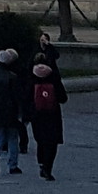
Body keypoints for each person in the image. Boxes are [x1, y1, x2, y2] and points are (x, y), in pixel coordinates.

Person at [0, 45, 28, 174]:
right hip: (10, 111)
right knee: (13, 137)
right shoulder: (12, 77)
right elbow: (17, 96)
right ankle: (13, 165)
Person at [29, 48, 67, 181]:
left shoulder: (31, 78)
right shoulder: (54, 76)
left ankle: (41, 164)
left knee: (40, 141)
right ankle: (48, 167)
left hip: (37, 115)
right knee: (52, 142)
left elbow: (26, 97)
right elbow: (63, 98)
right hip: (52, 114)